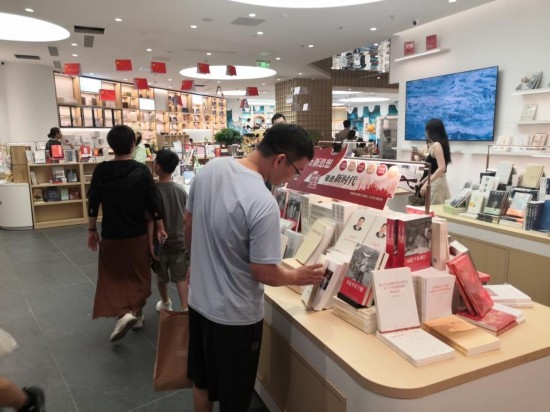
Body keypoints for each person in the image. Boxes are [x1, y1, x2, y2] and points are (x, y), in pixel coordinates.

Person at [184, 123, 325, 412]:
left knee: (202, 382)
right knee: (235, 397)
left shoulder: (212, 168)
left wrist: (194, 262)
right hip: (235, 317)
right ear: (280, 160)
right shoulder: (262, 202)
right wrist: (297, 276)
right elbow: (263, 272)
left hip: (198, 302)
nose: (292, 179)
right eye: (296, 171)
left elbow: (189, 222)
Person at [87, 125, 166, 342]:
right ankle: (136, 315)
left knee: (113, 276)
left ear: (111, 146)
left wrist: (92, 230)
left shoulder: (101, 171)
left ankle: (123, 315)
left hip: (112, 235)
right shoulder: (141, 171)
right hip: (137, 235)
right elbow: (153, 202)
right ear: (133, 144)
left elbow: (93, 203)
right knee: (139, 275)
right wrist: (160, 227)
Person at [149, 149, 189, 311]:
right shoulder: (181, 190)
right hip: (179, 241)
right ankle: (185, 307)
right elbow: (187, 217)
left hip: (160, 243)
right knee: (180, 277)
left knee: (161, 276)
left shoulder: (153, 192)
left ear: (158, 167)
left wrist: (150, 243)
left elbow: (150, 219)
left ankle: (165, 302)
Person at [414, 118, 452, 205]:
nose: (426, 133)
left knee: (434, 211)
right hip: (438, 182)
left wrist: (427, 183)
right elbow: (436, 168)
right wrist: (424, 181)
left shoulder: (436, 145)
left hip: (436, 185)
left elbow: (442, 168)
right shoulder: (440, 144)